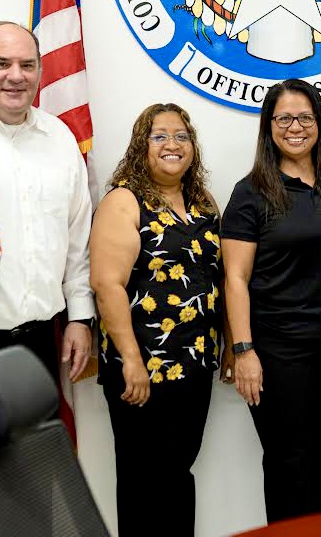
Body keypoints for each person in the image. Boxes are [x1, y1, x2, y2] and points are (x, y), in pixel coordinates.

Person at [222, 79, 321, 523]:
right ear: (268, 126)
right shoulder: (250, 192)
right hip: (277, 351)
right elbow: (235, 276)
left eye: (305, 118)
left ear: (319, 124)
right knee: (289, 465)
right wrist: (243, 349)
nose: (295, 127)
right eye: (284, 118)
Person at [90, 103, 223, 537]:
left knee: (177, 473)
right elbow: (107, 285)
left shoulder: (202, 203)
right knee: (143, 479)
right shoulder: (124, 200)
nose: (172, 144)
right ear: (140, 146)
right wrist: (131, 360)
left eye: (181, 136)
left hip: (195, 363)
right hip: (143, 366)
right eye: (160, 136)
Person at [0, 21, 93, 395]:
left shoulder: (59, 137)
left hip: (40, 341)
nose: (16, 76)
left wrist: (80, 316)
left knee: (28, 453)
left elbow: (76, 237)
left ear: (40, 71)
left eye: (27, 65)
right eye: (1, 63)